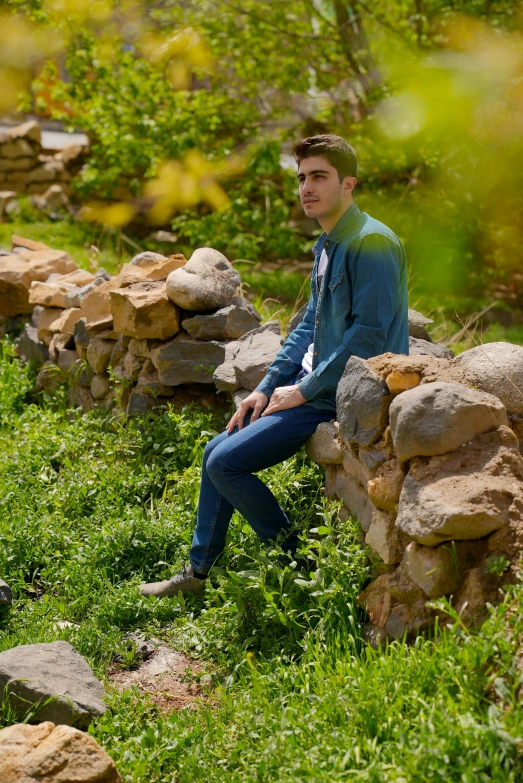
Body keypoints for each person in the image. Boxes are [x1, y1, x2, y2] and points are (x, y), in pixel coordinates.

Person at [140, 134, 409, 598]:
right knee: (214, 450)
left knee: (225, 463)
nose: (306, 186)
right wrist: (268, 385)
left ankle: (295, 566)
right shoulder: (327, 244)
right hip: (316, 385)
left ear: (349, 183)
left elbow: (366, 338)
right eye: (301, 177)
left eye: (319, 176)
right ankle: (198, 574)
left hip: (350, 392)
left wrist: (303, 392)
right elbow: (307, 325)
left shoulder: (373, 244)